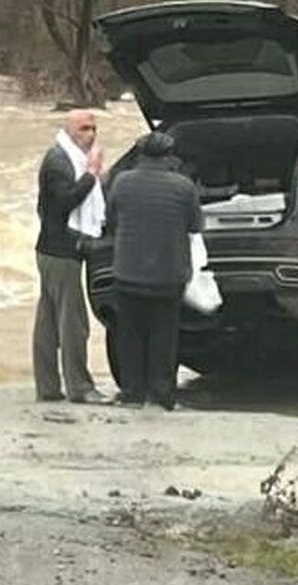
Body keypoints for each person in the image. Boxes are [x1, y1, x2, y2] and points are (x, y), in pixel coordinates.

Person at [106, 131, 203, 410]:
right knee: (164, 337)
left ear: (141, 155)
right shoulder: (183, 186)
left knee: (130, 336)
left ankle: (132, 393)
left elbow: (111, 220)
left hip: (127, 273)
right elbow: (195, 225)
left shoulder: (122, 182)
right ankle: (161, 395)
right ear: (169, 157)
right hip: (167, 275)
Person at [32, 110, 108, 404]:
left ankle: (48, 387)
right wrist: (91, 174)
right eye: (84, 129)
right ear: (69, 131)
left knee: (49, 321)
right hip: (60, 251)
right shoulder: (58, 161)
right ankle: (80, 387)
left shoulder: (68, 158)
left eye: (93, 129)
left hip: (52, 248)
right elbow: (63, 202)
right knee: (72, 322)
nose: (91, 135)